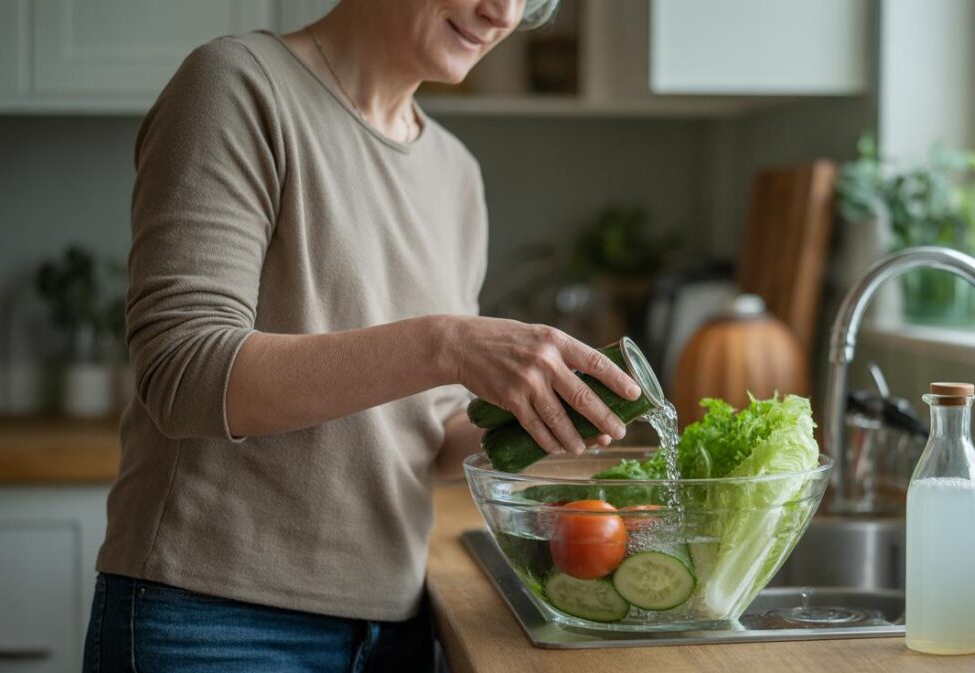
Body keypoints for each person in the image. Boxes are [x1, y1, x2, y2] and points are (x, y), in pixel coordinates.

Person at [82, 1, 642, 670]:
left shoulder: (455, 174)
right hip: (214, 619)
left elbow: (425, 434)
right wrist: (449, 344)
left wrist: (550, 422)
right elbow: (184, 373)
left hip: (393, 624)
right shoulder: (236, 85)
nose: (502, 13)